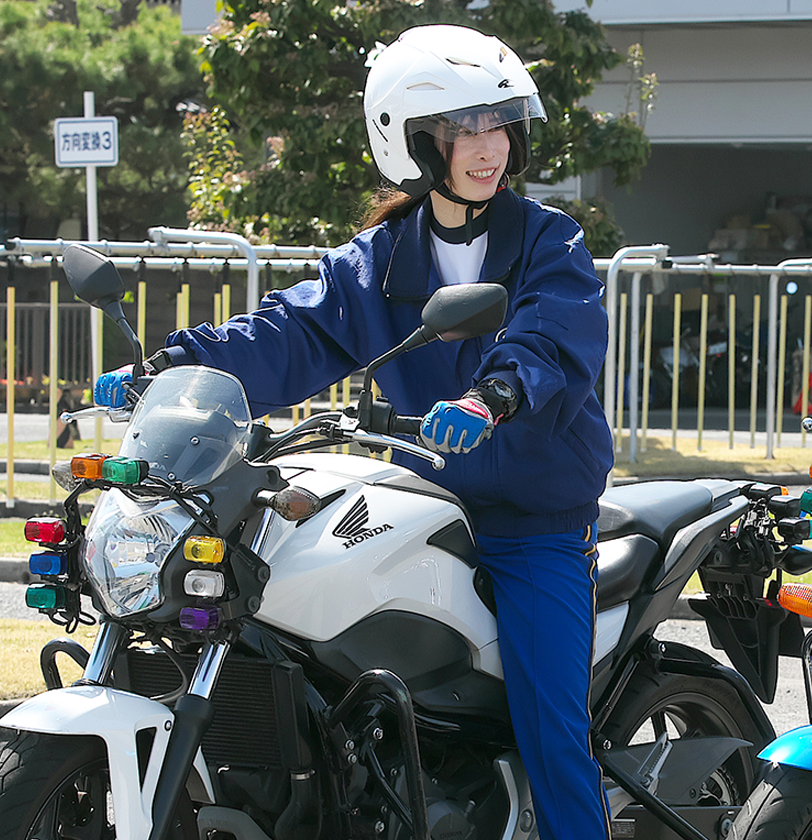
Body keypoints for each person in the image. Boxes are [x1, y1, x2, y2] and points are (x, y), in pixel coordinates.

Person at [93, 24, 613, 840]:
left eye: (498, 124)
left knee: (550, 730)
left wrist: (492, 398)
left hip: (530, 521)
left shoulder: (550, 241)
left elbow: (550, 335)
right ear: (413, 142)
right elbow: (286, 336)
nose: (489, 146)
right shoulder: (371, 264)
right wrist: (172, 365)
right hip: (416, 497)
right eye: (463, 128)